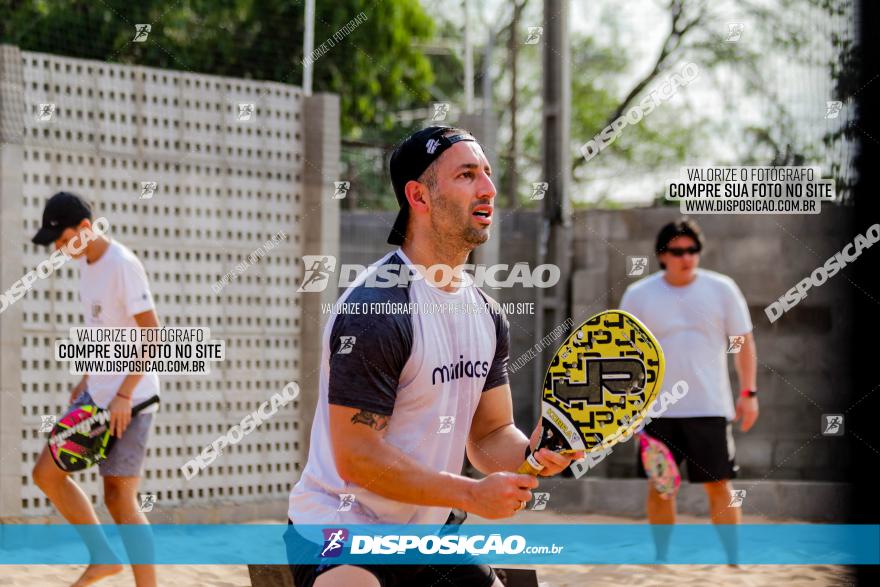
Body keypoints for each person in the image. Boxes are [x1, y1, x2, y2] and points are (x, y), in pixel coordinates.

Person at [286, 126, 583, 587]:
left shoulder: (486, 313)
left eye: (487, 173)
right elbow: (358, 457)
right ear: (418, 196)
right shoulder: (378, 309)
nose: (488, 188)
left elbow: (489, 435)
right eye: (466, 174)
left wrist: (530, 452)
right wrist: (470, 493)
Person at [30, 192, 160, 587]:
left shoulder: (122, 265)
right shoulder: (86, 264)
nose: (57, 248)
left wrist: (123, 395)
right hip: (98, 396)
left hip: (132, 400)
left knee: (121, 500)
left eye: (61, 238)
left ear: (85, 228)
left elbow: (153, 336)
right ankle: (103, 556)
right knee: (46, 474)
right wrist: (88, 377)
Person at [620, 217, 758, 564]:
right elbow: (625, 355)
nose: (687, 257)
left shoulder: (722, 288)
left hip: (710, 408)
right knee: (662, 486)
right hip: (657, 411)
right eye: (679, 251)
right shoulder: (639, 294)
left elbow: (742, 343)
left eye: (693, 250)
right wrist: (628, 409)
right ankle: (661, 557)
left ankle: (734, 559)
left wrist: (749, 393)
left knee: (719, 485)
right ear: (662, 255)